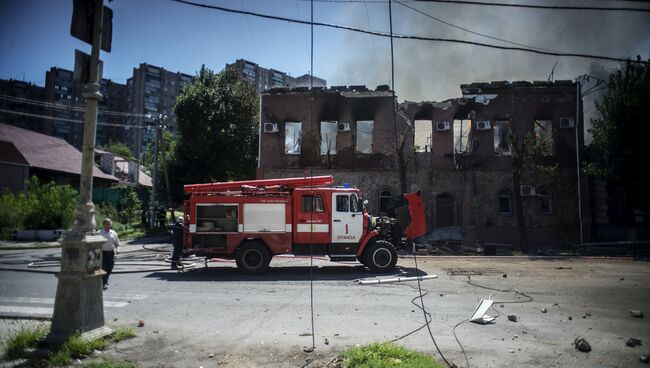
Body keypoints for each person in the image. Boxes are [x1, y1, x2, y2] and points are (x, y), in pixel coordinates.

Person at [99, 218, 120, 289]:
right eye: (107, 224)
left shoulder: (113, 233)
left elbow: (117, 243)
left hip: (111, 253)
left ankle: (105, 279)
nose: (109, 226)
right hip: (102, 253)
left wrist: (118, 249)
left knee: (110, 268)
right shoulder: (99, 233)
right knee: (104, 268)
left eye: (110, 224)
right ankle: (103, 283)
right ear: (103, 225)